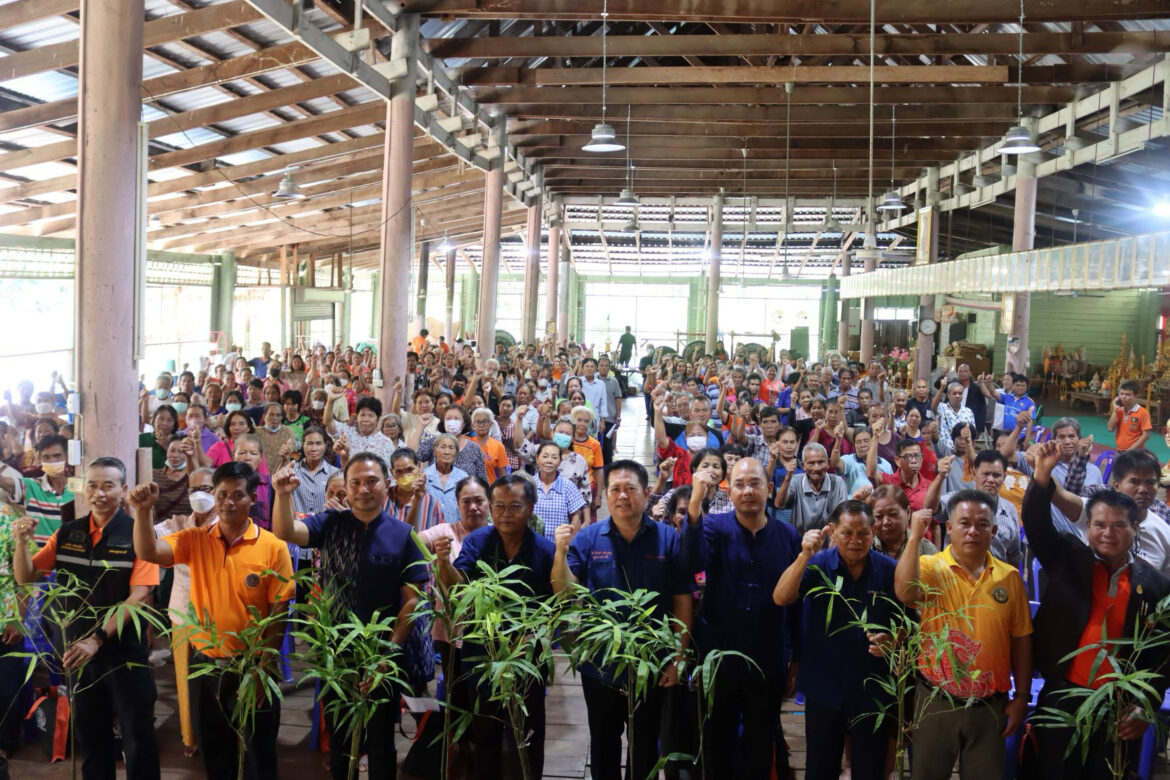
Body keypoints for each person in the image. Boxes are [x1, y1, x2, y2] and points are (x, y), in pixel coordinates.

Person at [132, 461, 293, 780]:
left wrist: (263, 669)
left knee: (258, 752)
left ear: (252, 499)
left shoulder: (273, 547)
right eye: (222, 494)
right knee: (214, 750)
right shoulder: (194, 539)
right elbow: (149, 551)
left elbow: (278, 614)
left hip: (251, 666)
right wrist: (142, 511)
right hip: (205, 664)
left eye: (237, 494)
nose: (228, 501)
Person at [271, 454, 426, 780]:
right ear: (347, 486)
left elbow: (412, 601)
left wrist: (387, 653)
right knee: (341, 741)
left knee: (382, 740)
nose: (363, 489)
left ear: (387, 485)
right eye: (355, 482)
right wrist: (283, 494)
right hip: (337, 654)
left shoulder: (404, 535)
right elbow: (285, 530)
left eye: (372, 481)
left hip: (382, 654)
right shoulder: (329, 524)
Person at [1025, 440, 1170, 777]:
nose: (1109, 533)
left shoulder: (1155, 586)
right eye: (1100, 525)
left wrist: (1144, 703)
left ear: (1135, 529)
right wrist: (1042, 478)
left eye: (1119, 525)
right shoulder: (1067, 560)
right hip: (1063, 696)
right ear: (1087, 527)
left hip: (1118, 706)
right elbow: (1036, 523)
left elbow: (1162, 656)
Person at [14, 456, 162, 780]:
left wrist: (97, 638)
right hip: (78, 655)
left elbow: (139, 596)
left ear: (123, 491)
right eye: (92, 485)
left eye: (108, 485)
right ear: (84, 490)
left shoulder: (138, 535)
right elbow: (27, 576)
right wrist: (22, 543)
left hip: (124, 654)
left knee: (138, 737)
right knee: (91, 737)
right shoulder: (68, 533)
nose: (99, 493)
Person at [551, 460, 692, 780]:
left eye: (631, 489)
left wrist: (677, 658)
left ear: (647, 494)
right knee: (603, 741)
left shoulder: (668, 539)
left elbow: (682, 599)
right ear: (606, 494)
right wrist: (561, 552)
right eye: (615, 489)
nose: (623, 496)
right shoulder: (587, 539)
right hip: (600, 661)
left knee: (645, 744)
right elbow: (563, 590)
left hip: (652, 662)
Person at [894, 490, 1033, 780]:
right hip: (935, 700)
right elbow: (905, 593)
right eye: (964, 523)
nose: (973, 531)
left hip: (990, 704)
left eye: (982, 524)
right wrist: (914, 538)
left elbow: (1021, 640)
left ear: (993, 531)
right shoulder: (931, 568)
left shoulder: (1009, 578)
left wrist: (1021, 696)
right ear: (949, 528)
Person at [681, 459, 800, 778]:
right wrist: (696, 501)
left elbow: (798, 603)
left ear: (769, 489)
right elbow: (692, 563)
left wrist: (796, 659)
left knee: (761, 742)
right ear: (729, 491)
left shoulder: (788, 535)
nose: (747, 491)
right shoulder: (713, 527)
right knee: (716, 740)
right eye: (740, 484)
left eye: (755, 483)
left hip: (768, 656)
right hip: (719, 656)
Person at [438, 474, 557, 780]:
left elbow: (558, 606)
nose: (505, 513)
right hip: (483, 655)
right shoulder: (478, 541)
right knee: (485, 730)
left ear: (529, 508)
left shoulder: (545, 550)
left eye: (514, 506)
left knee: (528, 731)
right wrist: (442, 562)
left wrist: (535, 636)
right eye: (499, 506)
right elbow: (458, 588)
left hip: (527, 656)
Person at [773, 500, 900, 780]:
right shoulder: (817, 566)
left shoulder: (889, 570)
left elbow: (908, 623)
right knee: (820, 766)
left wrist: (893, 638)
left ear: (874, 530)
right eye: (847, 533)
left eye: (863, 533)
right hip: (823, 684)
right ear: (832, 531)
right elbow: (781, 597)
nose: (855, 540)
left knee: (870, 769)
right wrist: (804, 555)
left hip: (872, 686)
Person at [152, 467, 217, 758]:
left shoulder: (228, 526)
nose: (199, 495)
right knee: (185, 677)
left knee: (216, 680)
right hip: (183, 614)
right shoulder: (178, 523)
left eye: (207, 488)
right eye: (193, 490)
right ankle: (190, 736)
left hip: (218, 617)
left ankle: (216, 733)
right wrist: (141, 512)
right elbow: (147, 545)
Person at [1045, 448, 1170, 578]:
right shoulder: (1096, 510)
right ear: (1116, 486)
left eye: (1150, 482)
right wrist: (1043, 468)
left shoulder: (1165, 533)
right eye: (1134, 481)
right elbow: (1060, 496)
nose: (1143, 490)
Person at [930, 450, 1023, 567]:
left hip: (997, 580)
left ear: (1004, 477)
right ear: (974, 474)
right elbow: (930, 507)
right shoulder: (957, 501)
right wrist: (940, 477)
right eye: (986, 474)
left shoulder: (1010, 510)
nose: (991, 480)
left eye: (996, 475)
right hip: (956, 579)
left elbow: (1013, 556)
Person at [776, 442, 848, 533]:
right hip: (801, 541)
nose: (816, 468)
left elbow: (843, 515)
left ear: (828, 463)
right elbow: (779, 504)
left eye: (821, 462)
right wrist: (787, 478)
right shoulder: (795, 481)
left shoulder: (838, 482)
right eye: (811, 463)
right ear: (803, 466)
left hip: (830, 542)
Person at [868, 484, 938, 558]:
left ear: (908, 513)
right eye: (879, 516)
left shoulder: (925, 549)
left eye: (893, 514)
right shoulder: (866, 546)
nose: (885, 522)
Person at [424, 434, 470, 524]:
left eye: (451, 448)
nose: (447, 452)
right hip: (430, 531)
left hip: (457, 530)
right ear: (435, 451)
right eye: (443, 447)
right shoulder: (424, 476)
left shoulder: (463, 477)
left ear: (456, 452)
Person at [980, 371, 1036, 438]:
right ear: (1013, 386)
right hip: (1005, 434)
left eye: (1023, 385)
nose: (1020, 388)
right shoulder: (1007, 397)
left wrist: (1027, 439)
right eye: (1017, 385)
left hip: (1020, 436)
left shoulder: (1030, 402)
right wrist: (989, 382)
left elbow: (1030, 422)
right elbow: (993, 393)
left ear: (1027, 387)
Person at [1108, 380, 1152, 452]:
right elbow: (1110, 428)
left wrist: (1130, 450)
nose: (1123, 397)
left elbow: (1146, 435)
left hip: (1135, 452)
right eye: (1121, 394)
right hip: (1119, 450)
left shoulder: (1143, 412)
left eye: (1127, 394)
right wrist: (1115, 409)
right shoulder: (1119, 411)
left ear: (1136, 395)